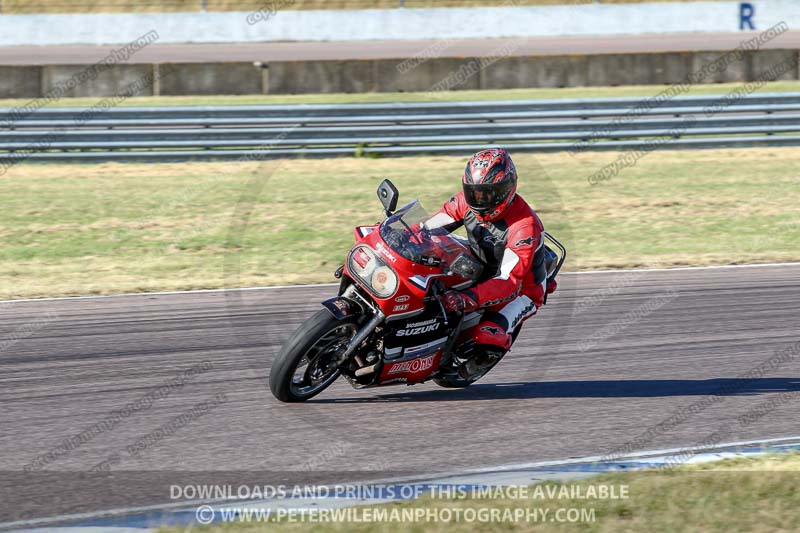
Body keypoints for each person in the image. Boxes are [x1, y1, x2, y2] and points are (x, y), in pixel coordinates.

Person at [422, 148, 557, 377]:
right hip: (479, 266)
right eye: (474, 193)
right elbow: (428, 228)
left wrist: (467, 298)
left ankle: (476, 365)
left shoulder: (524, 226)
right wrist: (400, 234)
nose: (480, 200)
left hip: (521, 289)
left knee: (487, 334)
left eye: (488, 194)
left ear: (507, 189)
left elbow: (509, 281)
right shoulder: (466, 201)